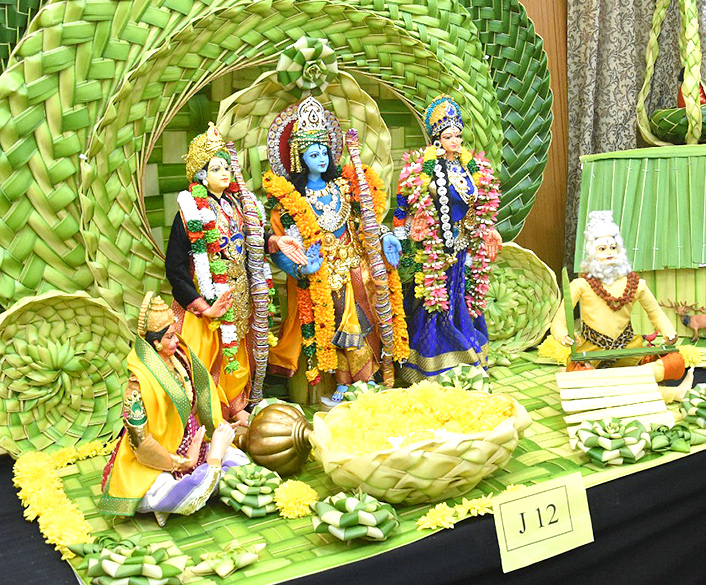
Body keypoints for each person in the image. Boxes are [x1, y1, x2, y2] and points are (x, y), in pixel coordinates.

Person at [262, 96, 402, 404]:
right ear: (301, 159)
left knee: (369, 316)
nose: (322, 158)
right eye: (314, 154)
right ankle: (344, 382)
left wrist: (386, 235)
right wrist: (301, 267)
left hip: (355, 263)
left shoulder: (343, 185)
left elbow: (365, 220)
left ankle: (370, 376)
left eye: (324, 152)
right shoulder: (292, 199)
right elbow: (277, 244)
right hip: (323, 271)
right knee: (336, 325)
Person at [165, 123, 306, 425]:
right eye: (216, 168)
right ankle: (208, 414)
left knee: (240, 348)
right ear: (201, 175)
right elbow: (175, 269)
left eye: (226, 167)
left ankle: (234, 406)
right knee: (208, 356)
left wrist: (276, 241)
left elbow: (251, 241)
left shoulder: (239, 205)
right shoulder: (189, 212)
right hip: (207, 303)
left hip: (240, 294)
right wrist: (204, 307)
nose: (224, 173)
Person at [98, 293, 248, 523]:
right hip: (156, 459)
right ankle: (205, 472)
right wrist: (185, 461)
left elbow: (202, 394)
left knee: (240, 462)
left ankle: (206, 471)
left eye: (174, 333)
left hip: (191, 439)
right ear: (155, 342)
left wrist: (216, 428)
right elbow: (141, 444)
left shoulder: (179, 357)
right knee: (170, 494)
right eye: (169, 337)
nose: (176, 340)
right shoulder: (137, 387)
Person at [387, 96, 501, 383]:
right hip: (435, 249)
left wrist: (489, 229)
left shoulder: (470, 168)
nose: (455, 141)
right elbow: (403, 207)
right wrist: (406, 233)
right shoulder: (421, 171)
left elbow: (482, 205)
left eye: (458, 135)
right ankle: (433, 361)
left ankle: (466, 353)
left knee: (461, 293)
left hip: (464, 243)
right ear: (437, 139)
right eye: (449, 136)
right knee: (435, 301)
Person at [549, 210, 686, 383]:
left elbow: (655, 313)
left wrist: (668, 331)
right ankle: (634, 380)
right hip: (592, 353)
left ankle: (615, 380)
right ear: (592, 253)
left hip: (630, 351)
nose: (609, 252)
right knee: (577, 376)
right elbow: (558, 322)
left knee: (676, 362)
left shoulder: (636, 284)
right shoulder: (581, 285)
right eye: (602, 248)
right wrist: (563, 335)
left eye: (613, 247)